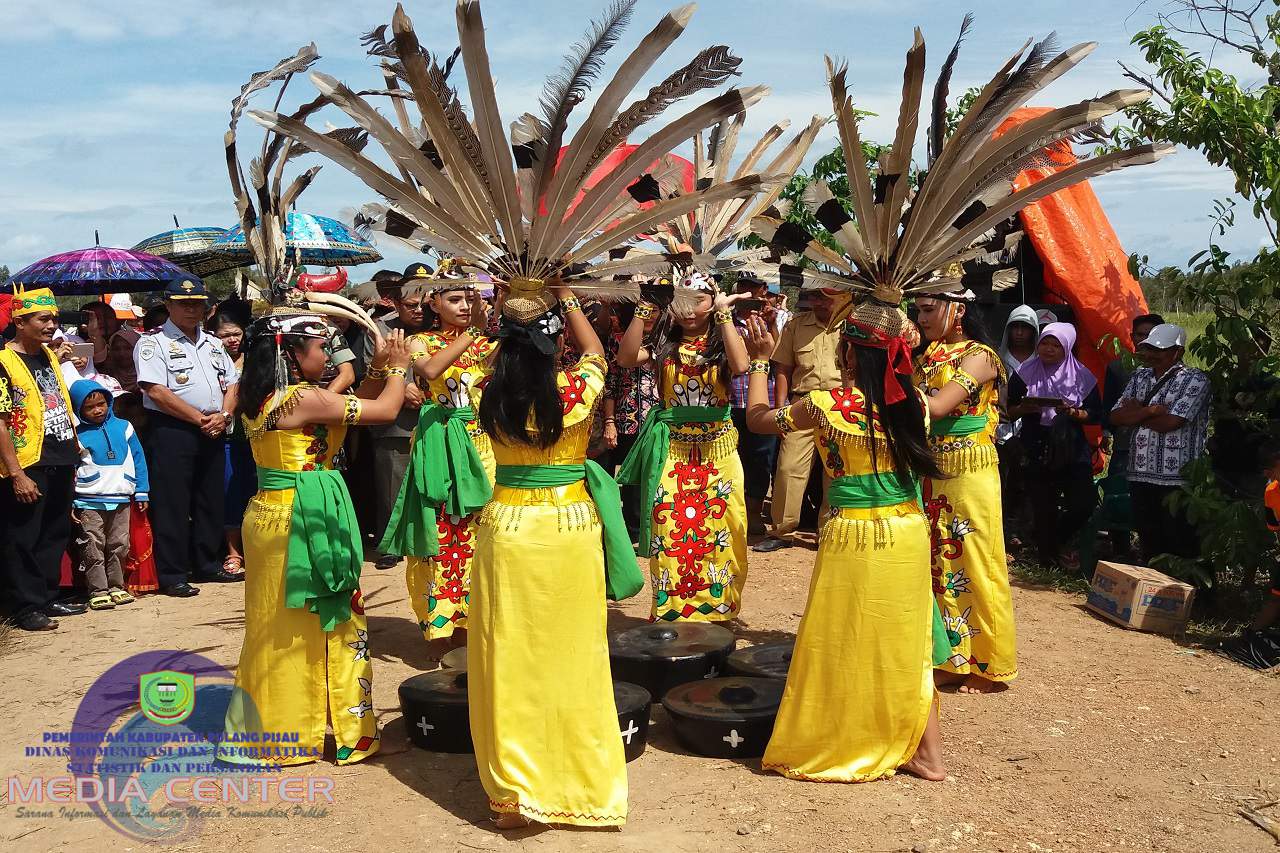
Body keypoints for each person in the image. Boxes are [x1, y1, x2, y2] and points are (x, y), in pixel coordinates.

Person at [458, 284, 640, 828]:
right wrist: (565, 298)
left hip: (507, 526)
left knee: (508, 654)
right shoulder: (577, 388)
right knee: (574, 650)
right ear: (552, 340)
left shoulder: (482, 389)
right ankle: (577, 779)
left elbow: (485, 358)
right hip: (568, 525)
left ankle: (512, 797)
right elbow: (597, 355)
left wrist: (510, 320)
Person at [743, 299, 945, 783]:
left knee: (841, 637)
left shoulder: (826, 406)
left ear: (849, 355)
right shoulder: (915, 404)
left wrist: (758, 361)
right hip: (907, 529)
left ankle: (841, 737)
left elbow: (756, 420)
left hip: (854, 534)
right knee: (905, 641)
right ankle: (927, 753)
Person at [220, 315, 412, 768]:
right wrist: (401, 368)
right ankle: (345, 732)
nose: (328, 357)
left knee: (278, 624)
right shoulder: (301, 398)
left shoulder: (261, 396)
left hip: (270, 511)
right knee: (333, 616)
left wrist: (379, 371)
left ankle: (278, 732)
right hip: (304, 516)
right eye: (320, 348)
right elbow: (383, 412)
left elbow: (346, 405)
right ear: (290, 353)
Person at [616, 272, 752, 623]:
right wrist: (645, 308)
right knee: (669, 530)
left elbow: (741, 366)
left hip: (718, 454)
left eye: (700, 300)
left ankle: (719, 612)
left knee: (726, 531)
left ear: (714, 300)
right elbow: (626, 358)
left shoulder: (723, 344)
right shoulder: (663, 347)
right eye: (683, 301)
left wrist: (724, 315)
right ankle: (673, 612)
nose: (690, 310)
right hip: (673, 451)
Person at [384, 266, 495, 657]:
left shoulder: (486, 343)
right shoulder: (420, 342)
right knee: (444, 537)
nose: (466, 305)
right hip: (440, 451)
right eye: (454, 298)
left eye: (470, 297)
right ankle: (443, 628)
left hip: (482, 449)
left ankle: (474, 624)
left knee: (480, 539)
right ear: (433, 302)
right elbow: (430, 371)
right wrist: (472, 334)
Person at [914, 294, 1017, 693]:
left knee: (974, 563)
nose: (920, 318)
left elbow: (938, 407)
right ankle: (950, 657)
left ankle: (988, 664)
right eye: (917, 310)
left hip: (968, 468)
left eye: (928, 309)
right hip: (930, 467)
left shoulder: (982, 356)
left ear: (957, 309)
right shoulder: (926, 355)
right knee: (936, 563)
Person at [134, 277, 240, 596]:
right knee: (172, 503)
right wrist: (199, 419)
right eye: (184, 303)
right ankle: (173, 573)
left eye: (197, 303)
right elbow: (155, 390)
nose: (192, 309)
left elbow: (232, 382)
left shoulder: (213, 343)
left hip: (215, 426)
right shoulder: (153, 343)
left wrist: (223, 416)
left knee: (211, 499)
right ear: (168, 305)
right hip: (173, 429)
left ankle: (207, 564)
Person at [0, 287, 83, 631]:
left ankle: (47, 596)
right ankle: (24, 606)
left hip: (60, 453)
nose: (52, 325)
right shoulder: (3, 362)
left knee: (54, 531)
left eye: (54, 318)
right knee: (22, 536)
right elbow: (0, 421)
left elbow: (56, 399)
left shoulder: (49, 355)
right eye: (43, 318)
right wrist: (15, 471)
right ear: (20, 322)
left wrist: (74, 449)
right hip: (27, 460)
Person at [754, 288, 847, 552]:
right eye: (813, 297)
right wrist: (780, 408)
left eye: (823, 297)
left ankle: (829, 531)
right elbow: (783, 368)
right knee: (787, 468)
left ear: (842, 296)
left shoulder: (853, 324)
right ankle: (782, 532)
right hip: (801, 404)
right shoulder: (796, 325)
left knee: (836, 470)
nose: (816, 302)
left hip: (841, 406)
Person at [1109, 323, 1211, 563]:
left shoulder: (1195, 379)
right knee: (1150, 540)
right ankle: (1157, 594)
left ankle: (1197, 596)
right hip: (1140, 473)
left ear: (1178, 352)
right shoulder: (1139, 376)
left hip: (1177, 477)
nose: (1152, 354)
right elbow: (1115, 416)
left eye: (1160, 350)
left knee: (1183, 541)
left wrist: (1137, 413)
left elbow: (1172, 422)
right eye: (1149, 348)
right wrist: (1152, 411)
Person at [1007, 323, 1103, 568]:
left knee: (1084, 503)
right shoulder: (1024, 372)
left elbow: (1095, 414)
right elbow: (1008, 411)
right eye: (1044, 343)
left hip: (1071, 444)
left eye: (1055, 345)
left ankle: (1056, 539)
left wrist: (1073, 412)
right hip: (1035, 443)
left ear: (1068, 346)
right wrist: (1025, 408)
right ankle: (1047, 561)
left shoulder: (1082, 376)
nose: (1048, 349)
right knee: (1043, 504)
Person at [370, 263, 432, 570]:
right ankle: (390, 544)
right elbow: (371, 369)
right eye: (411, 304)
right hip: (395, 421)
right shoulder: (379, 329)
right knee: (391, 485)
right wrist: (402, 385)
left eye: (424, 302)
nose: (419, 310)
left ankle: (430, 539)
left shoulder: (441, 325)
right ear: (395, 301)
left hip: (437, 418)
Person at [68, 379, 148, 610]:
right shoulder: (77, 434)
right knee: (92, 545)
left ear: (108, 402)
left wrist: (142, 491)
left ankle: (116, 586)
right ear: (78, 409)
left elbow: (139, 459)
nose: (97, 410)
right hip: (89, 500)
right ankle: (97, 590)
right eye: (89, 407)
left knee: (119, 544)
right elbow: (73, 469)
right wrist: (72, 500)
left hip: (121, 498)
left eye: (101, 404)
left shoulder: (124, 427)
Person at [602, 301, 660, 544]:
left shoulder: (666, 340)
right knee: (630, 478)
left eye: (654, 311)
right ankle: (631, 528)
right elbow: (611, 384)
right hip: (627, 419)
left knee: (654, 475)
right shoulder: (619, 341)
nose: (649, 316)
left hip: (657, 419)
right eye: (644, 311)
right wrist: (610, 421)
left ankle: (652, 526)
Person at [729, 276, 778, 534]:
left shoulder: (776, 320)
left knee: (761, 459)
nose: (747, 292)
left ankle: (754, 512)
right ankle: (733, 513)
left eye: (753, 287)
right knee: (733, 458)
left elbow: (781, 357)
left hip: (763, 400)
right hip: (733, 399)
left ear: (763, 290)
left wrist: (772, 325)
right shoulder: (725, 322)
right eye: (742, 286)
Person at [209, 309, 253, 579]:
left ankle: (255, 550)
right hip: (224, 437)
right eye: (225, 336)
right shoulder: (210, 360)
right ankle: (233, 553)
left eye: (237, 334)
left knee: (253, 492)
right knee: (230, 494)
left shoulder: (255, 361)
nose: (232, 340)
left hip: (253, 436)